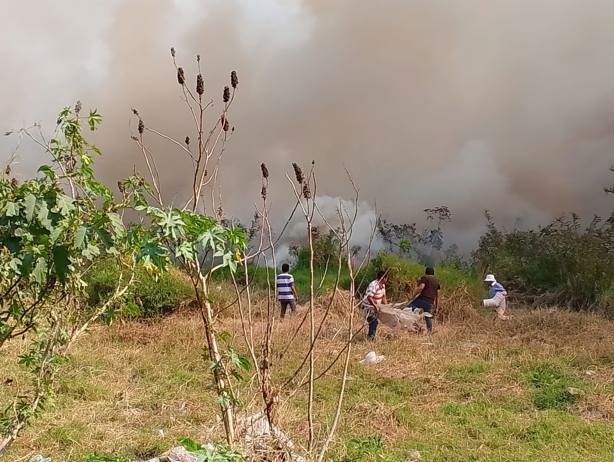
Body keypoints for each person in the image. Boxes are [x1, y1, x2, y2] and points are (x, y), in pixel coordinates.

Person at [408, 267, 440, 333]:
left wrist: (413, 296)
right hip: (430, 302)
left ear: (426, 273)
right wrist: (436, 307)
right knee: (428, 316)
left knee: (410, 307)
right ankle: (429, 331)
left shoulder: (425, 277)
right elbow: (437, 295)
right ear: (433, 273)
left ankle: (413, 323)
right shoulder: (436, 282)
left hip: (422, 299)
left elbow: (421, 287)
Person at [362, 270, 388, 340]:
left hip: (376, 307)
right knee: (373, 321)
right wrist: (375, 306)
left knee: (375, 322)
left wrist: (387, 307)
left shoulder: (383, 286)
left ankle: (371, 336)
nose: (387, 280)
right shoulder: (373, 285)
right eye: (386, 278)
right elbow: (369, 296)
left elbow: (383, 297)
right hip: (369, 307)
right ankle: (370, 338)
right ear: (383, 278)